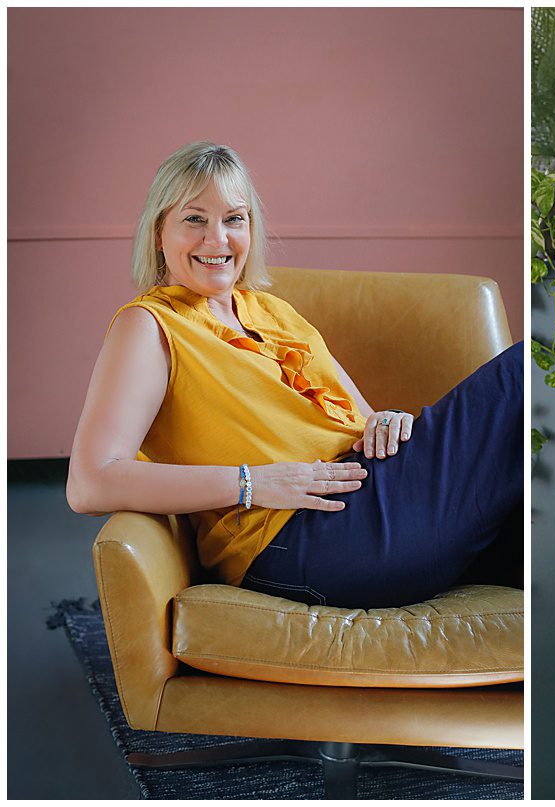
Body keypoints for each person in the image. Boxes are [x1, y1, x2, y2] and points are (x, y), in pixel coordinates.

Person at [67, 141, 522, 609]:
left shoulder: (272, 311)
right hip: (304, 538)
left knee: (532, 512)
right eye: (194, 219)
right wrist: (251, 483)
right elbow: (90, 483)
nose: (217, 239)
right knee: (527, 368)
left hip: (369, 499)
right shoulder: (148, 325)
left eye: (234, 219)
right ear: (159, 232)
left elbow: (362, 423)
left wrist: (387, 423)